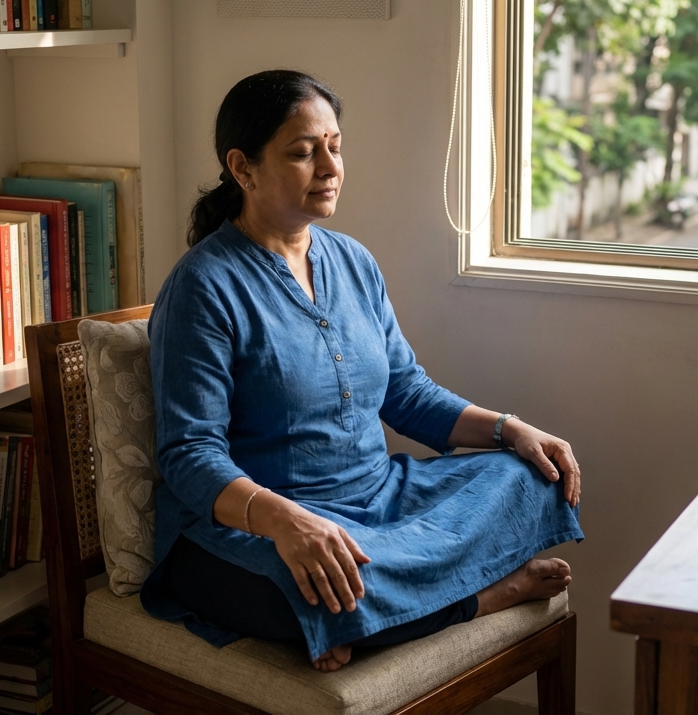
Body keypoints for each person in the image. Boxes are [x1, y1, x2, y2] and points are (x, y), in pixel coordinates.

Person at [142, 70, 584, 672]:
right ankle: (485, 595)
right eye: (303, 152)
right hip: (260, 527)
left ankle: (366, 615)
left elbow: (404, 391)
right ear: (243, 167)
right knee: (305, 583)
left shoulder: (352, 260)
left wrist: (511, 429)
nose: (329, 167)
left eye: (335, 146)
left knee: (526, 476)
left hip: (379, 501)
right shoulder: (203, 287)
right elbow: (190, 453)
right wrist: (289, 522)